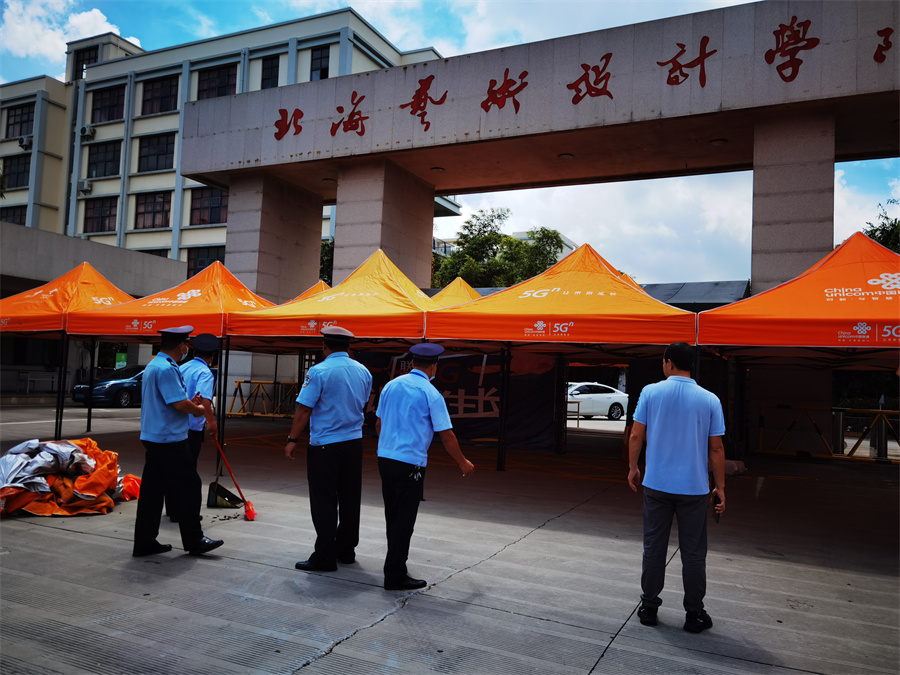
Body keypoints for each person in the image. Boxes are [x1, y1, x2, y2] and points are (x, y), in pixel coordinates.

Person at [627, 341, 726, 633]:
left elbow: (636, 435)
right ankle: (694, 614)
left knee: (653, 547)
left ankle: (648, 606)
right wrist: (720, 486)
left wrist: (633, 467)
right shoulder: (710, 399)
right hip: (694, 488)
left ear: (669, 362)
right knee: (693, 552)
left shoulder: (650, 392)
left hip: (657, 485)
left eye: (663, 361)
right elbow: (716, 448)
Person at [375, 343, 475, 590]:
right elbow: (447, 435)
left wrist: (389, 445)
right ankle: (395, 574)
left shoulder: (391, 385)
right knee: (404, 519)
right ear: (434, 366)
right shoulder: (431, 393)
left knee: (392, 514)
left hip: (385, 459)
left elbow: (378, 423)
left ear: (412, 363)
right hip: (411, 463)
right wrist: (462, 462)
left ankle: (395, 565)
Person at [286, 326, 373, 573]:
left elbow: (304, 409)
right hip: (353, 442)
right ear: (348, 346)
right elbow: (364, 402)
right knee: (350, 497)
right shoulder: (363, 371)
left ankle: (324, 555)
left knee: (324, 499)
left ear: (324, 346)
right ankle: (346, 550)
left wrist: (292, 439)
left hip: (325, 443)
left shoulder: (319, 371)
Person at [133, 325, 224, 557]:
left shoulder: (156, 365)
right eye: (185, 344)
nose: (186, 348)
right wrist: (198, 410)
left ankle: (144, 541)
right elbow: (180, 405)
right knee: (190, 487)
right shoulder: (167, 368)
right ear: (182, 345)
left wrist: (190, 403)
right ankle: (194, 540)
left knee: (153, 491)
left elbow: (174, 400)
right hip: (169, 439)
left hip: (154, 436)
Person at [167, 332, 219, 522]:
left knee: (174, 469)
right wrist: (212, 423)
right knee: (188, 470)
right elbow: (205, 402)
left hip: (176, 426)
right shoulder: (205, 373)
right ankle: (184, 512)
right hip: (192, 429)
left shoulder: (182, 367)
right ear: (212, 356)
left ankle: (172, 509)